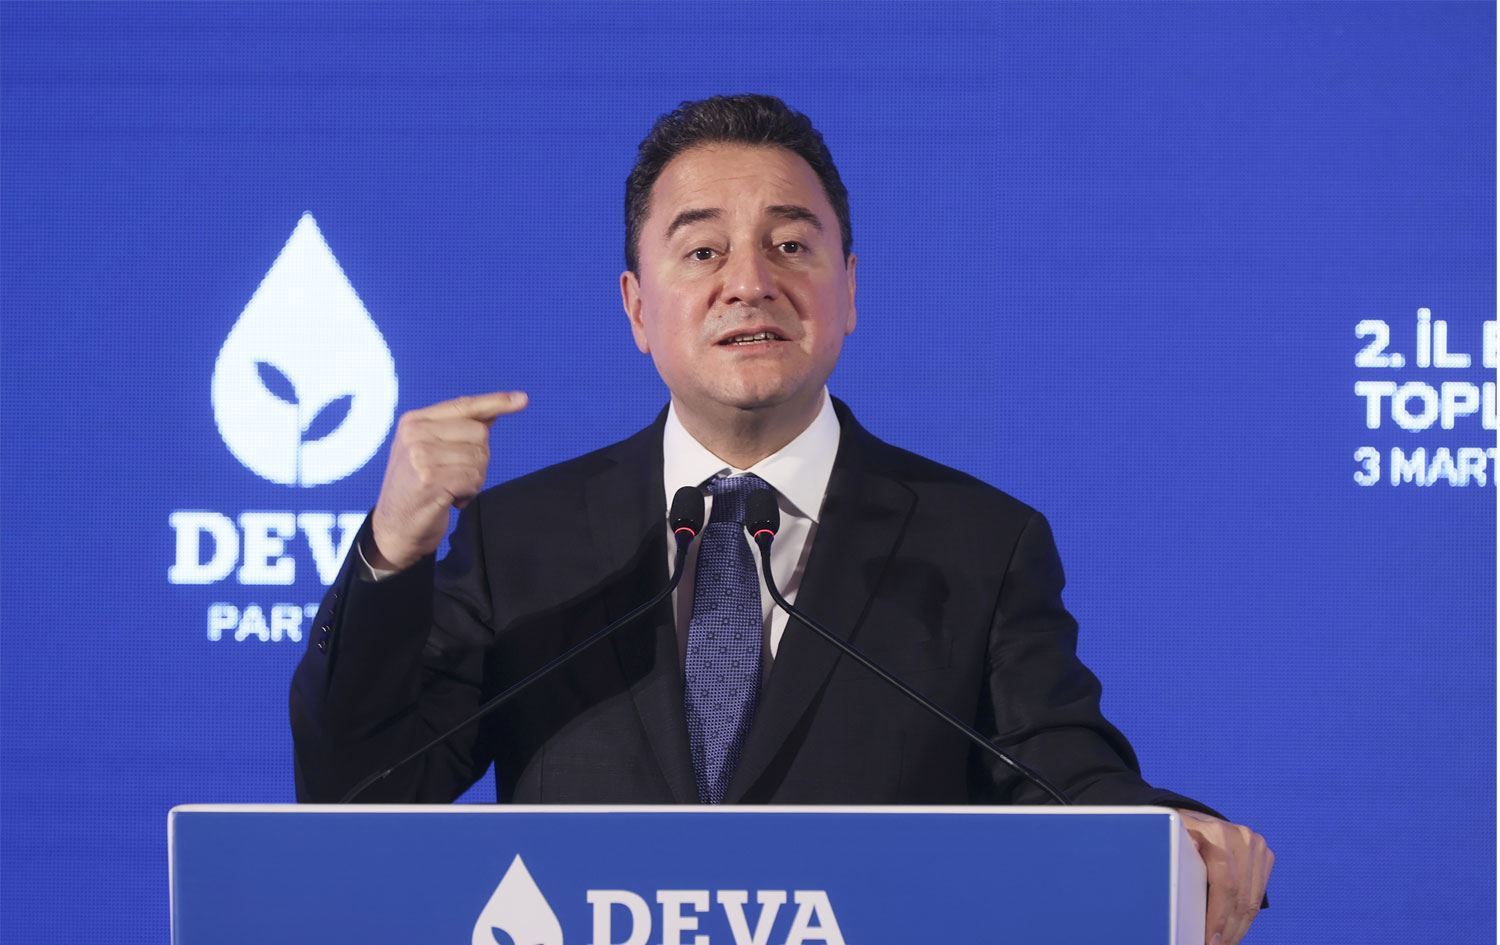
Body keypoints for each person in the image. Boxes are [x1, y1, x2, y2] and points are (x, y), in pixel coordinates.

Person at [291, 94, 1272, 944]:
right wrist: (393, 551)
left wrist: (1169, 836)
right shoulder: (524, 539)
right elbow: (361, 795)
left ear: (850, 290)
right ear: (637, 309)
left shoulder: (979, 544)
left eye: (792, 245)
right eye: (702, 250)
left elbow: (1063, 776)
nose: (750, 281)